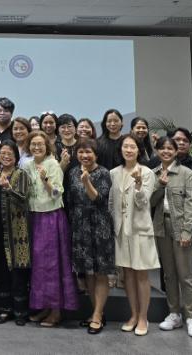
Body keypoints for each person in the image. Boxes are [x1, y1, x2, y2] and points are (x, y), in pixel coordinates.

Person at [150, 137, 192, 338]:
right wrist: (160, 185)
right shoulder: (154, 173)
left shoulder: (186, 173)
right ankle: (174, 314)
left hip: (182, 227)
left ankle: (191, 317)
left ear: (176, 151)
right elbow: (152, 202)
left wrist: (187, 231)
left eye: (169, 148)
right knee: (168, 274)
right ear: (157, 151)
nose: (166, 151)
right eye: (162, 148)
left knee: (185, 275)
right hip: (161, 226)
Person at [25, 131, 76, 327]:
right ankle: (45, 306)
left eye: (40, 144)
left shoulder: (53, 164)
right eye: (33, 144)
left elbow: (57, 193)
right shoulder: (28, 165)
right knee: (40, 266)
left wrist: (45, 180)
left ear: (47, 146)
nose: (36, 147)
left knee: (53, 265)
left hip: (52, 217)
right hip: (35, 217)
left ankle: (56, 312)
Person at [110, 134, 159, 336]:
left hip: (139, 229)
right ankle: (132, 314)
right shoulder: (114, 172)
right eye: (125, 146)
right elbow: (111, 203)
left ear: (139, 150)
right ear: (120, 150)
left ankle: (143, 317)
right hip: (121, 230)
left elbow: (143, 202)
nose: (129, 150)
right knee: (127, 274)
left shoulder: (146, 172)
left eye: (132, 147)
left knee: (141, 274)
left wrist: (138, 185)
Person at [66, 138, 114, 334]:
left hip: (99, 224)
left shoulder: (103, 173)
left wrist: (86, 183)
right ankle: (98, 312)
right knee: (88, 272)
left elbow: (99, 198)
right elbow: (70, 199)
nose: (84, 156)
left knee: (101, 272)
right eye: (81, 152)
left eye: (88, 152)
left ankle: (96, 315)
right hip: (79, 224)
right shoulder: (72, 172)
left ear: (96, 154)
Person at [0, 141, 32, 326]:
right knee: (1, 272)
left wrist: (9, 189)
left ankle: (20, 312)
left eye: (10, 154)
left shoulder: (21, 174)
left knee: (18, 273)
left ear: (16, 157)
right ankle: (3, 310)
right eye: (3, 153)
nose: (6, 156)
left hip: (17, 232)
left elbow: (24, 200)